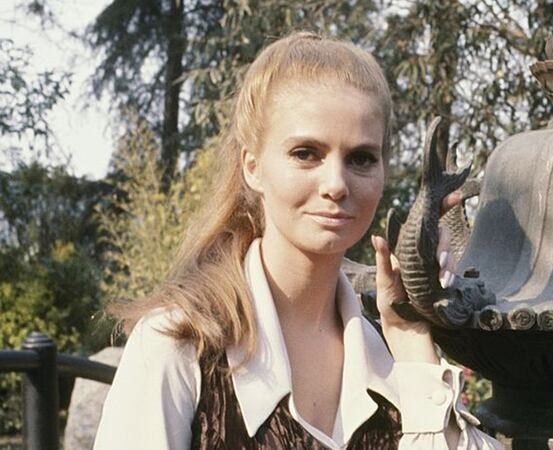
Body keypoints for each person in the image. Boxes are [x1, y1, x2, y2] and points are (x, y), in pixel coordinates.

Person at [93, 31, 504, 449]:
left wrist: (411, 337)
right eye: (306, 153)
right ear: (252, 166)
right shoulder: (179, 344)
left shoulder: (390, 358)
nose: (336, 184)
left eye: (361, 158)